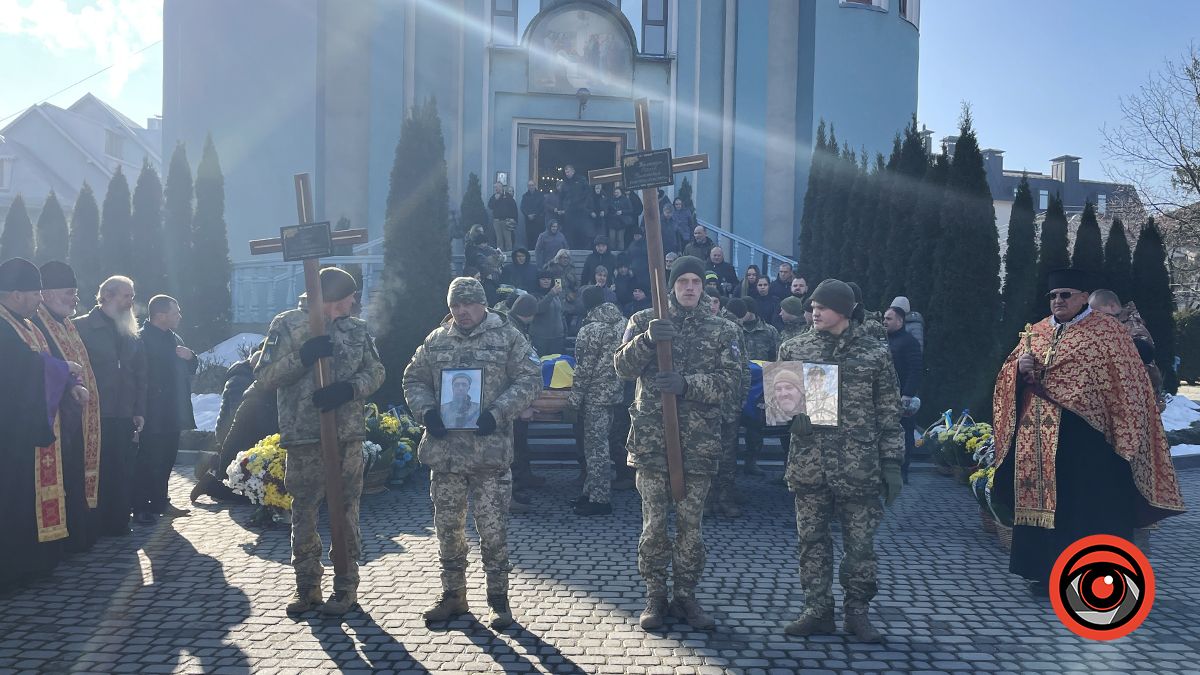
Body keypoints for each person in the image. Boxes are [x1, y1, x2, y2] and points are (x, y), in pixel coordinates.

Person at [991, 268, 1185, 598]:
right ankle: (1043, 573)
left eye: (1065, 294)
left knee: (1087, 508)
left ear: (1083, 297)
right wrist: (1018, 371)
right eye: (1053, 296)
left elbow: (1128, 382)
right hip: (1036, 439)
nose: (1058, 301)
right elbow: (1006, 378)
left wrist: (1089, 402)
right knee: (1043, 507)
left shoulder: (1107, 332)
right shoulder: (1035, 332)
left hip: (1087, 441)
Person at [404, 277, 542, 629]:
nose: (461, 312)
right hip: (445, 456)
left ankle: (499, 600)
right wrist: (428, 413)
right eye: (455, 305)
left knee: (492, 531)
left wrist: (497, 412)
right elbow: (413, 379)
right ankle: (453, 596)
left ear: (483, 304)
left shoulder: (508, 336)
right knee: (448, 528)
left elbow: (529, 379)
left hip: (488, 456)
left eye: (468, 304)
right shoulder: (436, 340)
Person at [614, 255, 742, 631]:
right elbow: (621, 366)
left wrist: (688, 384)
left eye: (696, 282)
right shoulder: (643, 321)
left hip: (698, 445)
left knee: (690, 529)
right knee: (654, 526)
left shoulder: (722, 330)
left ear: (704, 288)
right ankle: (655, 595)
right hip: (653, 442)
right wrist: (649, 340)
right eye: (683, 280)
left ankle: (686, 596)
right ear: (670, 285)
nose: (689, 287)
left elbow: (731, 383)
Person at [778, 279, 904, 642]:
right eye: (813, 306)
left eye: (823, 306)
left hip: (858, 466)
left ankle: (857, 613)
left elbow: (889, 413)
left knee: (860, 547)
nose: (814, 311)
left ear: (844, 311)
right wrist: (791, 415)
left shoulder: (874, 354)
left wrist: (892, 463)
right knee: (811, 542)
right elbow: (778, 401)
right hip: (810, 464)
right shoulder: (793, 348)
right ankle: (817, 610)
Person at [256, 267, 386, 616]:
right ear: (331, 296)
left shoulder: (357, 329)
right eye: (349, 295)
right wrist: (302, 357)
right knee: (304, 510)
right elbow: (265, 376)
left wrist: (349, 389)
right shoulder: (286, 324)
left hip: (346, 434)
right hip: (304, 434)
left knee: (346, 509)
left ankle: (345, 587)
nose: (354, 301)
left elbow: (376, 371)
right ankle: (307, 587)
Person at [0, 258, 81, 591]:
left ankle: (36, 560)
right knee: (11, 498)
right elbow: (20, 368)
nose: (39, 299)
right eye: (34, 293)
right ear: (16, 294)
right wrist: (63, 368)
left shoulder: (27, 323)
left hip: (28, 429)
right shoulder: (4, 324)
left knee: (28, 496)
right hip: (9, 432)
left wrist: (65, 378)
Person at [75, 275, 146, 537]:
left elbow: (140, 373)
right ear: (106, 296)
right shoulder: (80, 328)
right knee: (95, 470)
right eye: (126, 295)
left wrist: (139, 410)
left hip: (123, 413)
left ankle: (117, 522)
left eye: (132, 296)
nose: (131, 301)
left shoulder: (130, 331)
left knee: (121, 470)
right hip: (92, 414)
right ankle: (93, 523)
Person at [134, 295, 198, 523]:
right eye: (175, 312)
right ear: (161, 315)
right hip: (152, 411)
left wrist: (191, 357)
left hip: (174, 411)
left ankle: (161, 501)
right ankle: (140, 506)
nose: (179, 316)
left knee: (167, 458)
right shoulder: (140, 338)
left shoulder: (174, 337)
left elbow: (190, 367)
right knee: (147, 460)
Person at [569, 287, 626, 516]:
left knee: (595, 448)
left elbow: (583, 369)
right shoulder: (622, 323)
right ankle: (589, 492)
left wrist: (574, 399)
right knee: (601, 443)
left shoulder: (590, 329)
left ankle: (600, 499)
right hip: (614, 393)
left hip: (594, 395)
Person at [1088, 289, 1166, 411]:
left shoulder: (1134, 328)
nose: (1095, 318)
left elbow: (1145, 353)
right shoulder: (1112, 326)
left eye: (1097, 313)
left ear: (1112, 306)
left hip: (1139, 403)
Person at [708, 295, 750, 519]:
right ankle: (705, 499)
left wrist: (742, 396)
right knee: (703, 454)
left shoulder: (731, 329)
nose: (711, 306)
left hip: (728, 403)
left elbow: (742, 366)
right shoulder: (697, 328)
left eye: (714, 302)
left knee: (727, 454)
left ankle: (725, 497)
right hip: (703, 404)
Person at [732, 297, 777, 476]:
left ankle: (752, 461)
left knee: (756, 427)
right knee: (733, 427)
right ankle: (731, 464)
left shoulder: (769, 331)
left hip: (761, 387)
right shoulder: (733, 330)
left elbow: (776, 357)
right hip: (738, 384)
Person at [883, 306, 922, 481]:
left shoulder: (909, 341)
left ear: (900, 321)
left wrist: (907, 394)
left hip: (902, 396)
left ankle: (903, 471)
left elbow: (915, 369)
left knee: (905, 432)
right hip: (885, 395)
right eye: (884, 318)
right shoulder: (884, 340)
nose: (885, 321)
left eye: (889, 319)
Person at [529, 270, 565, 355]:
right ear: (538, 280)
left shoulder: (556, 295)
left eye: (548, 279)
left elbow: (561, 312)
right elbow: (539, 309)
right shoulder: (533, 295)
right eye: (543, 279)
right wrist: (551, 294)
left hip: (557, 337)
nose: (546, 281)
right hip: (540, 338)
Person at [488, 182, 519, 252]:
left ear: (501, 187)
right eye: (495, 187)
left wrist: (514, 220)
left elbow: (514, 208)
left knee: (508, 240)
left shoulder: (508, 196)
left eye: (497, 187)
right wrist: (495, 199)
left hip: (506, 221)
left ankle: (509, 256)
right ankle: (500, 256)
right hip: (497, 221)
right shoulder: (494, 196)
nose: (496, 189)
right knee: (499, 240)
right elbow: (490, 206)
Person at [519, 179, 545, 249]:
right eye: (529, 185)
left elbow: (542, 206)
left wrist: (535, 214)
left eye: (532, 185)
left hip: (538, 221)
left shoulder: (540, 195)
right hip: (528, 221)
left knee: (538, 238)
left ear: (535, 186)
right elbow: (522, 207)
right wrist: (528, 215)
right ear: (527, 186)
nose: (531, 187)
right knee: (529, 238)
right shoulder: (525, 196)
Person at [607, 185, 634, 250]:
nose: (616, 194)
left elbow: (631, 210)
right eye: (615, 192)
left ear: (621, 192)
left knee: (620, 239)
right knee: (612, 239)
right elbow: (607, 210)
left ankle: (620, 254)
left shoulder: (626, 200)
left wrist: (622, 212)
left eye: (617, 192)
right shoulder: (611, 200)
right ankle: (612, 253)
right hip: (612, 222)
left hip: (621, 222)